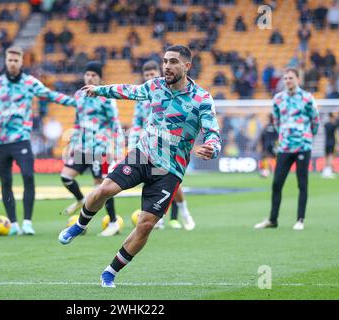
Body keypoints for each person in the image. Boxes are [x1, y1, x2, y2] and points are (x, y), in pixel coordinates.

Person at [58, 45, 221, 287]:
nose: (167, 66)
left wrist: (212, 148)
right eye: (165, 61)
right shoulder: (155, 86)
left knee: (145, 225)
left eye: (173, 61)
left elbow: (212, 132)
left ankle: (110, 272)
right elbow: (128, 90)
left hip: (170, 170)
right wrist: (98, 90)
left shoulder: (202, 99)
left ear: (187, 66)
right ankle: (79, 225)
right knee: (105, 189)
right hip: (143, 155)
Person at [0, 46, 76, 236]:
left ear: (22, 62)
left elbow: (50, 95)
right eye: (10, 60)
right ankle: (13, 223)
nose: (13, 63)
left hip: (22, 140)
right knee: (5, 182)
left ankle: (27, 222)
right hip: (1, 142)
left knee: (28, 178)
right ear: (6, 61)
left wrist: (75, 101)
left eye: (16, 60)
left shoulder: (30, 82)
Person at [128, 60, 195, 231]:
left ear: (159, 73)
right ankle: (161, 219)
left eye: (152, 74)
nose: (150, 77)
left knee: (172, 183)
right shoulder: (142, 98)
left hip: (169, 145)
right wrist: (133, 142)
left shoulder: (167, 93)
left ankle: (183, 213)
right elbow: (136, 123)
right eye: (147, 75)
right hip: (149, 145)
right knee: (151, 181)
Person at [59, 61, 124, 237]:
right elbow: (77, 121)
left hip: (99, 148)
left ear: (100, 79)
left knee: (102, 188)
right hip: (81, 147)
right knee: (65, 176)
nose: (90, 77)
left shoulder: (106, 98)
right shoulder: (79, 95)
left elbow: (115, 124)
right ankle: (80, 199)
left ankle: (113, 222)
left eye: (94, 75)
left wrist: (117, 149)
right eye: (87, 74)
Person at [255, 68, 319, 231]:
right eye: (285, 78)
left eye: (291, 78)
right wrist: (284, 134)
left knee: (302, 183)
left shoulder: (307, 98)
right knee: (277, 183)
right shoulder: (278, 99)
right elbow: (276, 120)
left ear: (298, 79)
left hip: (303, 146)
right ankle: (273, 219)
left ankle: (300, 220)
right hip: (284, 147)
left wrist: (306, 136)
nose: (288, 81)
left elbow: (315, 121)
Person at [258, 113, 278, 178]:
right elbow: (278, 136)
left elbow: (262, 137)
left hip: (266, 145)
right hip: (274, 145)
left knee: (264, 158)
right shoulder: (276, 127)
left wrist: (262, 145)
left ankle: (265, 171)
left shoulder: (266, 127)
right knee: (274, 158)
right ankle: (274, 171)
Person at [322, 112, 339, 178]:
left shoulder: (326, 124)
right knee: (330, 157)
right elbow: (336, 135)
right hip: (332, 143)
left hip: (326, 142)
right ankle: (328, 172)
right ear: (332, 117)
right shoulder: (334, 125)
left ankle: (325, 172)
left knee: (327, 157)